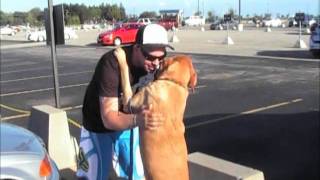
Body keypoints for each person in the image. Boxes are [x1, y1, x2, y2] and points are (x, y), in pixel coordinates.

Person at [76, 24, 174, 180]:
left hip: (130, 122)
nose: (156, 63)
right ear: (136, 48)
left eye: (161, 57)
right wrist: (138, 119)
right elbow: (109, 118)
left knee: (136, 173)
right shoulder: (111, 63)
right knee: (92, 175)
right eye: (150, 57)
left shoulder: (157, 67)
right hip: (98, 124)